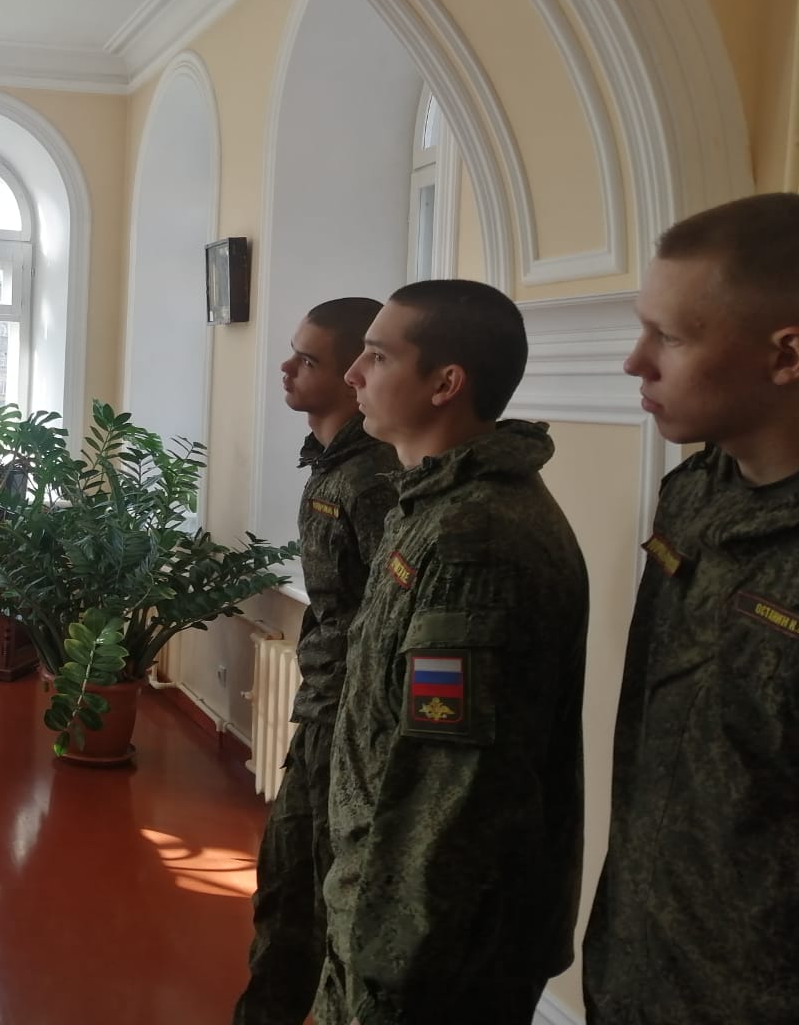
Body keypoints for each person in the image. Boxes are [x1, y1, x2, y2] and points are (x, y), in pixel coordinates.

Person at [315, 279, 589, 1025]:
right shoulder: (433, 504)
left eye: (377, 356)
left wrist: (388, 965)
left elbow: (449, 790)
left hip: (430, 951)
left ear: (445, 384)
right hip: (387, 912)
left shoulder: (478, 538)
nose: (353, 375)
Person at [583, 194, 799, 1024]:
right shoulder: (694, 495)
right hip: (640, 961)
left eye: (669, 337)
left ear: (787, 355)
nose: (634, 363)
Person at [234, 298, 399, 1025]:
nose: (286, 367)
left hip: (355, 723)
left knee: (331, 901)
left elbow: (387, 619)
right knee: (284, 888)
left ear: (353, 373)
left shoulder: (376, 478)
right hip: (323, 711)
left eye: (307, 360)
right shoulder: (330, 465)